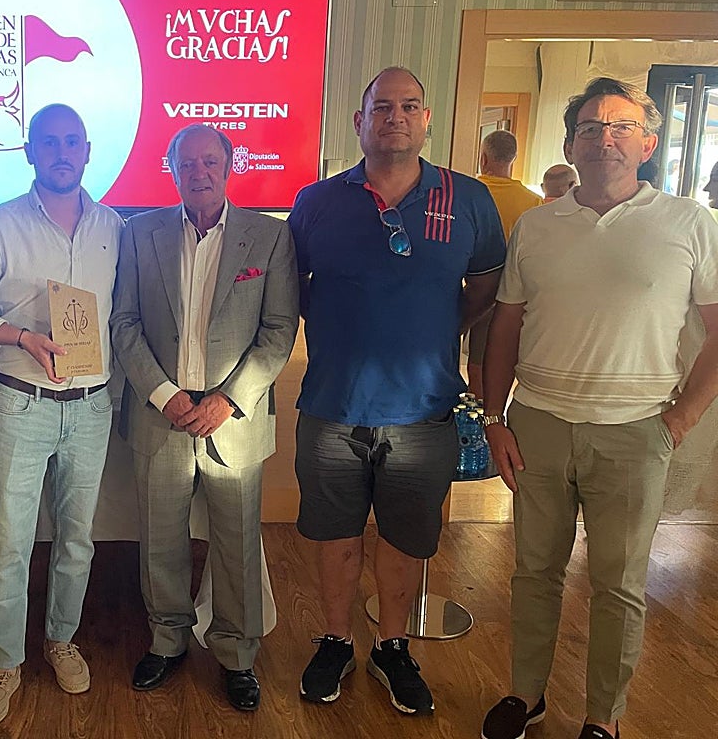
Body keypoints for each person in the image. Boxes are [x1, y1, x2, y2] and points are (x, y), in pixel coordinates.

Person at [480, 77, 718, 739]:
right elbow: (505, 326)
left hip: (636, 431)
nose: (604, 139)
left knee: (618, 585)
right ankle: (525, 696)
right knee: (534, 572)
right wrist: (494, 419)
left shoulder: (690, 224)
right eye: (590, 127)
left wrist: (681, 419)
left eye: (620, 127)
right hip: (540, 425)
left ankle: (603, 719)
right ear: (571, 143)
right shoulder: (536, 224)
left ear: (647, 142)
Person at [287, 67, 505, 716]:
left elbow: (485, 294)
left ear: (427, 118)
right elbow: (291, 288)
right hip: (332, 407)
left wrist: (439, 329)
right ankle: (334, 641)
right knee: (335, 538)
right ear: (359, 122)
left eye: (410, 105)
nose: (396, 117)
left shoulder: (469, 200)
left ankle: (392, 647)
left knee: (407, 542)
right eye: (382, 106)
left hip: (424, 412)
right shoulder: (316, 202)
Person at [0, 103, 123, 728]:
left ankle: (61, 639)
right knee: (10, 542)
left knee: (76, 540)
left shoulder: (115, 229)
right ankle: (3, 662)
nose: (61, 152)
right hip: (22, 402)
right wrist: (18, 336)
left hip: (92, 407)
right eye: (49, 143)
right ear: (30, 153)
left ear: (88, 151)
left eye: (72, 142)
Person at [111, 123, 298, 712]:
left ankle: (237, 654)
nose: (198, 171)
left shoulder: (269, 238)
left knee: (238, 543)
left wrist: (227, 399)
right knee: (159, 541)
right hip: (160, 412)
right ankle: (167, 641)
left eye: (209, 161)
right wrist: (164, 393)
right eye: (186, 162)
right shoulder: (139, 234)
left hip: (232, 418)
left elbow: (277, 332)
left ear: (229, 164)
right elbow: (124, 322)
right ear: (170, 167)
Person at [466, 130, 542, 395]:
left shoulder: (469, 193)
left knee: (474, 359)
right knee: (505, 356)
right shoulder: (533, 202)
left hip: (474, 290)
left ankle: (474, 415)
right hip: (514, 294)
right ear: (514, 158)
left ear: (483, 158)